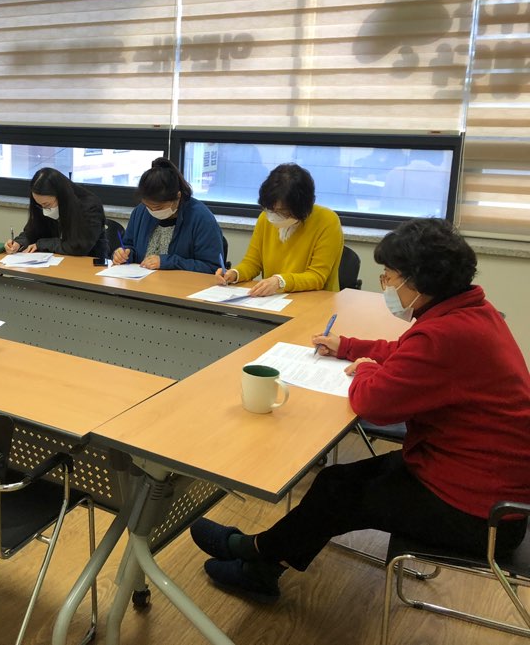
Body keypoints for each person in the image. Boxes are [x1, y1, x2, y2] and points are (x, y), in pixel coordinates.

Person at [190, 218, 530, 603]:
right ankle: (261, 566)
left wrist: (366, 367)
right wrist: (349, 346)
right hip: (468, 476)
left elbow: (373, 403)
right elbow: (408, 352)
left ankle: (253, 553)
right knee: (335, 484)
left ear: (419, 281)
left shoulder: (446, 334)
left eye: (389, 276)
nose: (385, 284)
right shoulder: (469, 312)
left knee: (341, 496)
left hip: (481, 515)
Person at [218, 163, 343, 296]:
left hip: (315, 300)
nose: (273, 216)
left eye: (282, 211)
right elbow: (252, 262)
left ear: (301, 208)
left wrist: (280, 282)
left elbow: (317, 277)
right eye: (270, 209)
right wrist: (235, 273)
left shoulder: (327, 221)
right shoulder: (265, 218)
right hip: (274, 300)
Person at [112, 157, 224, 272]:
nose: (152, 211)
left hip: (178, 282)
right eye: (147, 206)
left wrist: (169, 262)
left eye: (158, 208)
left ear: (178, 196)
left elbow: (212, 267)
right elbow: (129, 245)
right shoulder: (140, 211)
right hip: (141, 279)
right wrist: (124, 254)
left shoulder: (201, 218)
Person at [4, 167, 107, 258]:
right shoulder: (41, 204)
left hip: (88, 265)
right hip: (52, 262)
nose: (44, 210)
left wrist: (41, 244)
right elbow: (32, 231)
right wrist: (19, 243)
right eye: (40, 205)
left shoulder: (90, 206)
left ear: (61, 196)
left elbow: (79, 246)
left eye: (47, 205)